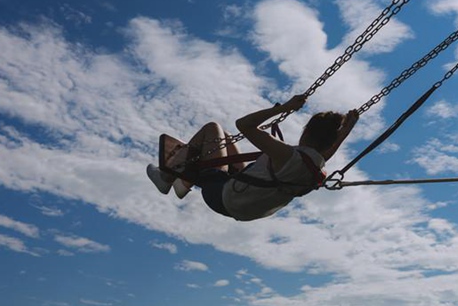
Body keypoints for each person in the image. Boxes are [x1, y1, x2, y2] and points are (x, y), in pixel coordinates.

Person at [146, 94, 358, 221]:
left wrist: (286, 107)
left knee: (213, 128)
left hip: (220, 196)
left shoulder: (286, 155)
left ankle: (165, 179)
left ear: (306, 132)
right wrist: (346, 130)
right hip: (246, 203)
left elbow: (244, 124)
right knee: (226, 138)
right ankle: (184, 183)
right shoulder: (316, 170)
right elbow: (329, 152)